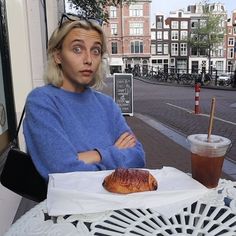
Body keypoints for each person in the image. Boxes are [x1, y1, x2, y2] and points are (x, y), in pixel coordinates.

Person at [23, 14, 145, 181]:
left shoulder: (107, 104)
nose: (88, 60)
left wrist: (91, 156)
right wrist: (114, 153)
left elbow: (138, 157)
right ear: (58, 56)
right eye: (77, 49)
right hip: (71, 206)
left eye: (95, 51)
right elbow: (63, 172)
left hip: (119, 204)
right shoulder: (42, 101)